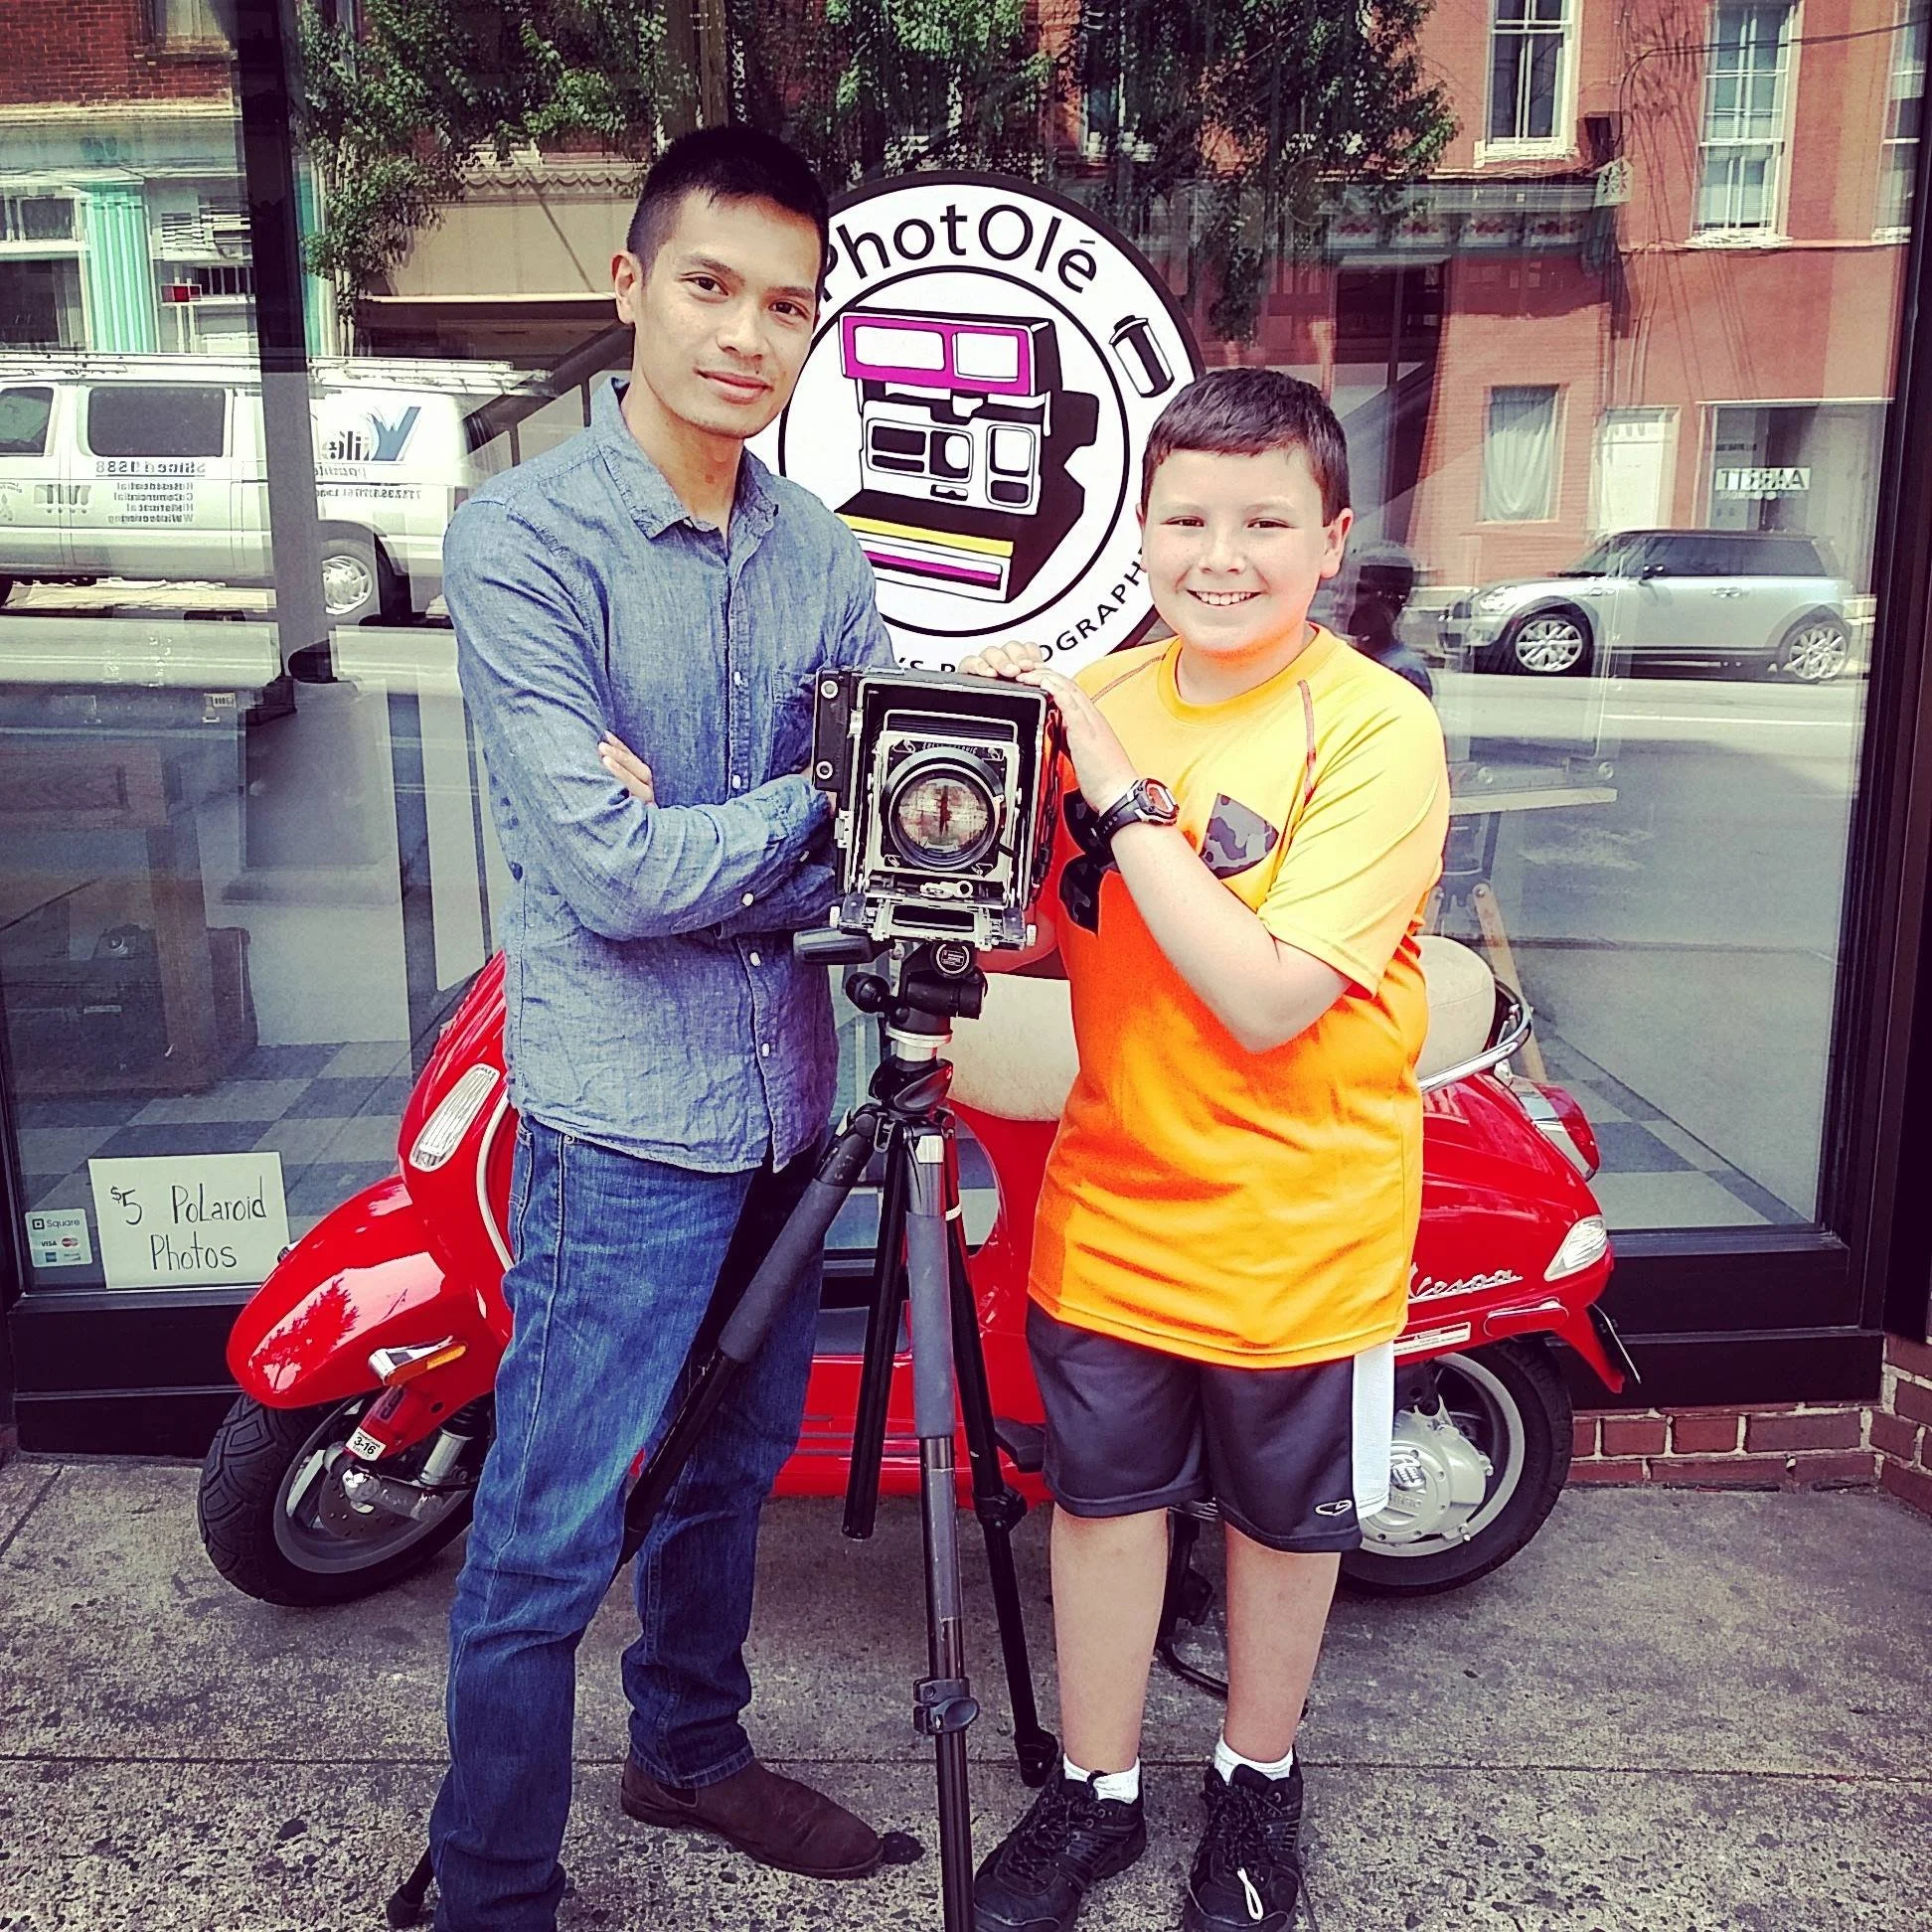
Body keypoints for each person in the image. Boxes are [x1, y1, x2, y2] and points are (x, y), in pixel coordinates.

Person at [430, 127, 897, 1932]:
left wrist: (734, 832)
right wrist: (793, 806)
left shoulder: (825, 561)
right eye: (708, 286)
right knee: (549, 1523)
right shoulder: (517, 541)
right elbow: (614, 880)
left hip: (793, 1102)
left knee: (729, 1478)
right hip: (620, 1123)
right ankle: (492, 1887)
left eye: (786, 305)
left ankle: (687, 1748)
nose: (745, 334)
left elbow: (836, 854)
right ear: (629, 287)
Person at [960, 369, 1450, 1932]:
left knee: (1280, 1527)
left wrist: (1110, 792)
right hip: (1115, 1207)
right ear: (1142, 528)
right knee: (1099, 1510)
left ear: (1334, 544)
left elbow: (1261, 996)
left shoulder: (1375, 729)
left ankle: (1256, 1781)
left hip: (1303, 1225)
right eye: (1184, 518)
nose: (1219, 555)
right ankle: (1096, 1796)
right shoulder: (1100, 702)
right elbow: (1045, 930)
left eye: (1262, 522)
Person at [1344, 542, 1435, 698]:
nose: (1343, 600)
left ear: (1390, 599)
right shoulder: (1354, 656)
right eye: (1341, 590)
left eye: (1360, 591)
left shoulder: (1404, 671)